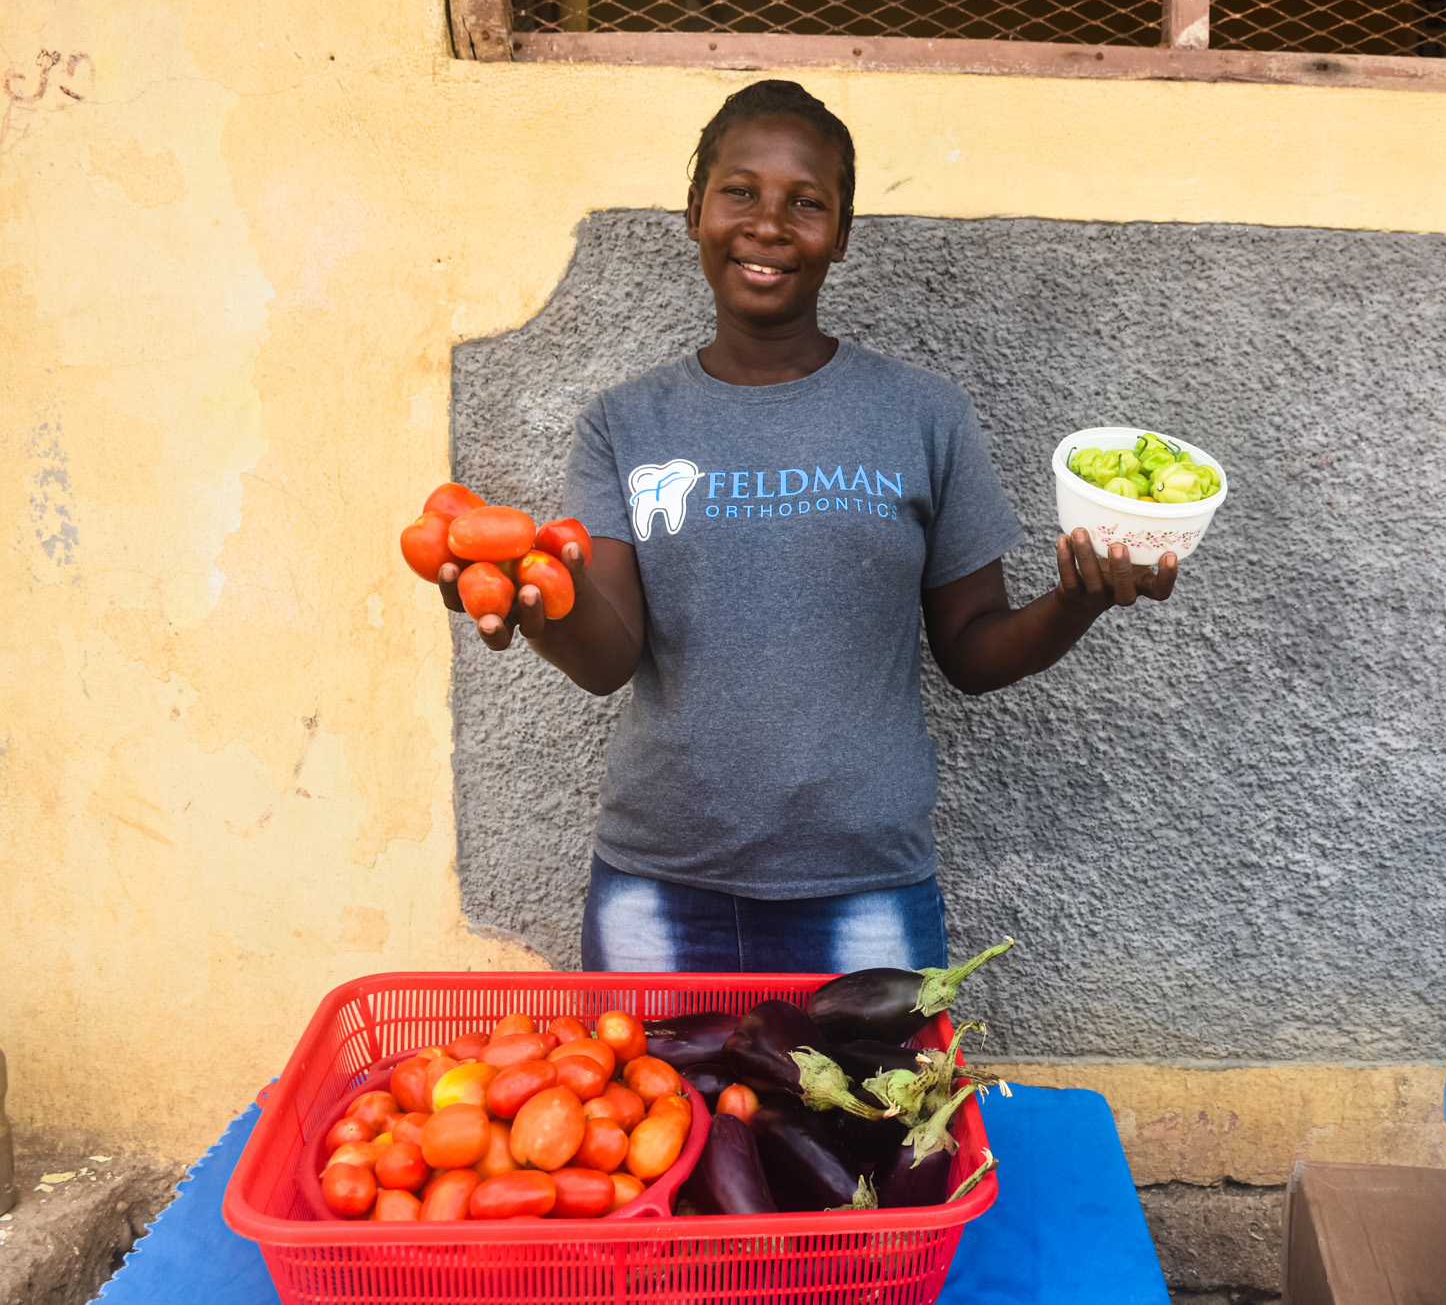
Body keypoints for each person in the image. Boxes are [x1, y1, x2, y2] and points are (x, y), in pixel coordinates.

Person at [437, 80, 1178, 974]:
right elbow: (607, 657)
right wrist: (538, 606)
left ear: (843, 233)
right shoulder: (624, 423)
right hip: (661, 883)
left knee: (871, 1120)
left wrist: (1072, 603)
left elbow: (973, 652)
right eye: (739, 191)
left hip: (864, 887)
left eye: (806, 202)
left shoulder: (921, 414)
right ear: (694, 212)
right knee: (647, 1117)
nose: (768, 223)